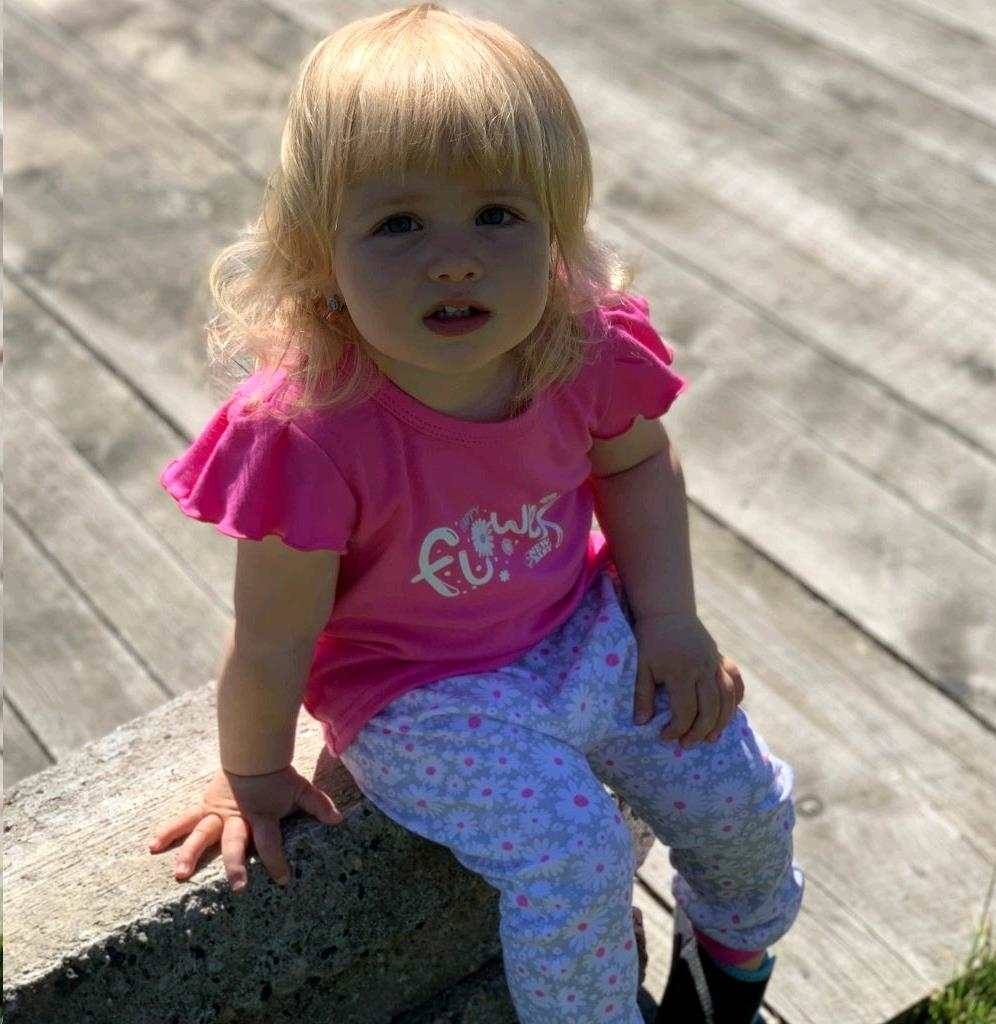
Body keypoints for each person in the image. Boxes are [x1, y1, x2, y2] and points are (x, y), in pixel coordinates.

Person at [146, 4, 804, 1022]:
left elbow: (637, 465)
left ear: (557, 229)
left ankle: (728, 957)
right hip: (419, 691)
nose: (454, 259)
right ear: (319, 254)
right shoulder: (310, 429)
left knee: (737, 793)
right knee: (572, 856)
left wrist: (670, 618)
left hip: (579, 624)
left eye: (498, 214)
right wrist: (251, 773)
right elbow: (272, 636)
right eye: (398, 224)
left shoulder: (582, 347)